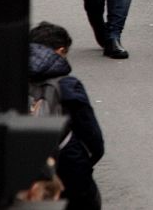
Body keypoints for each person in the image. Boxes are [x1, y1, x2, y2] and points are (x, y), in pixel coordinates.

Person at [28, 22, 105, 210]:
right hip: (66, 161)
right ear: (61, 51)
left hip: (22, 164)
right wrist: (85, 162)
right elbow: (92, 136)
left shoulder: (11, 77)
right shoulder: (66, 84)